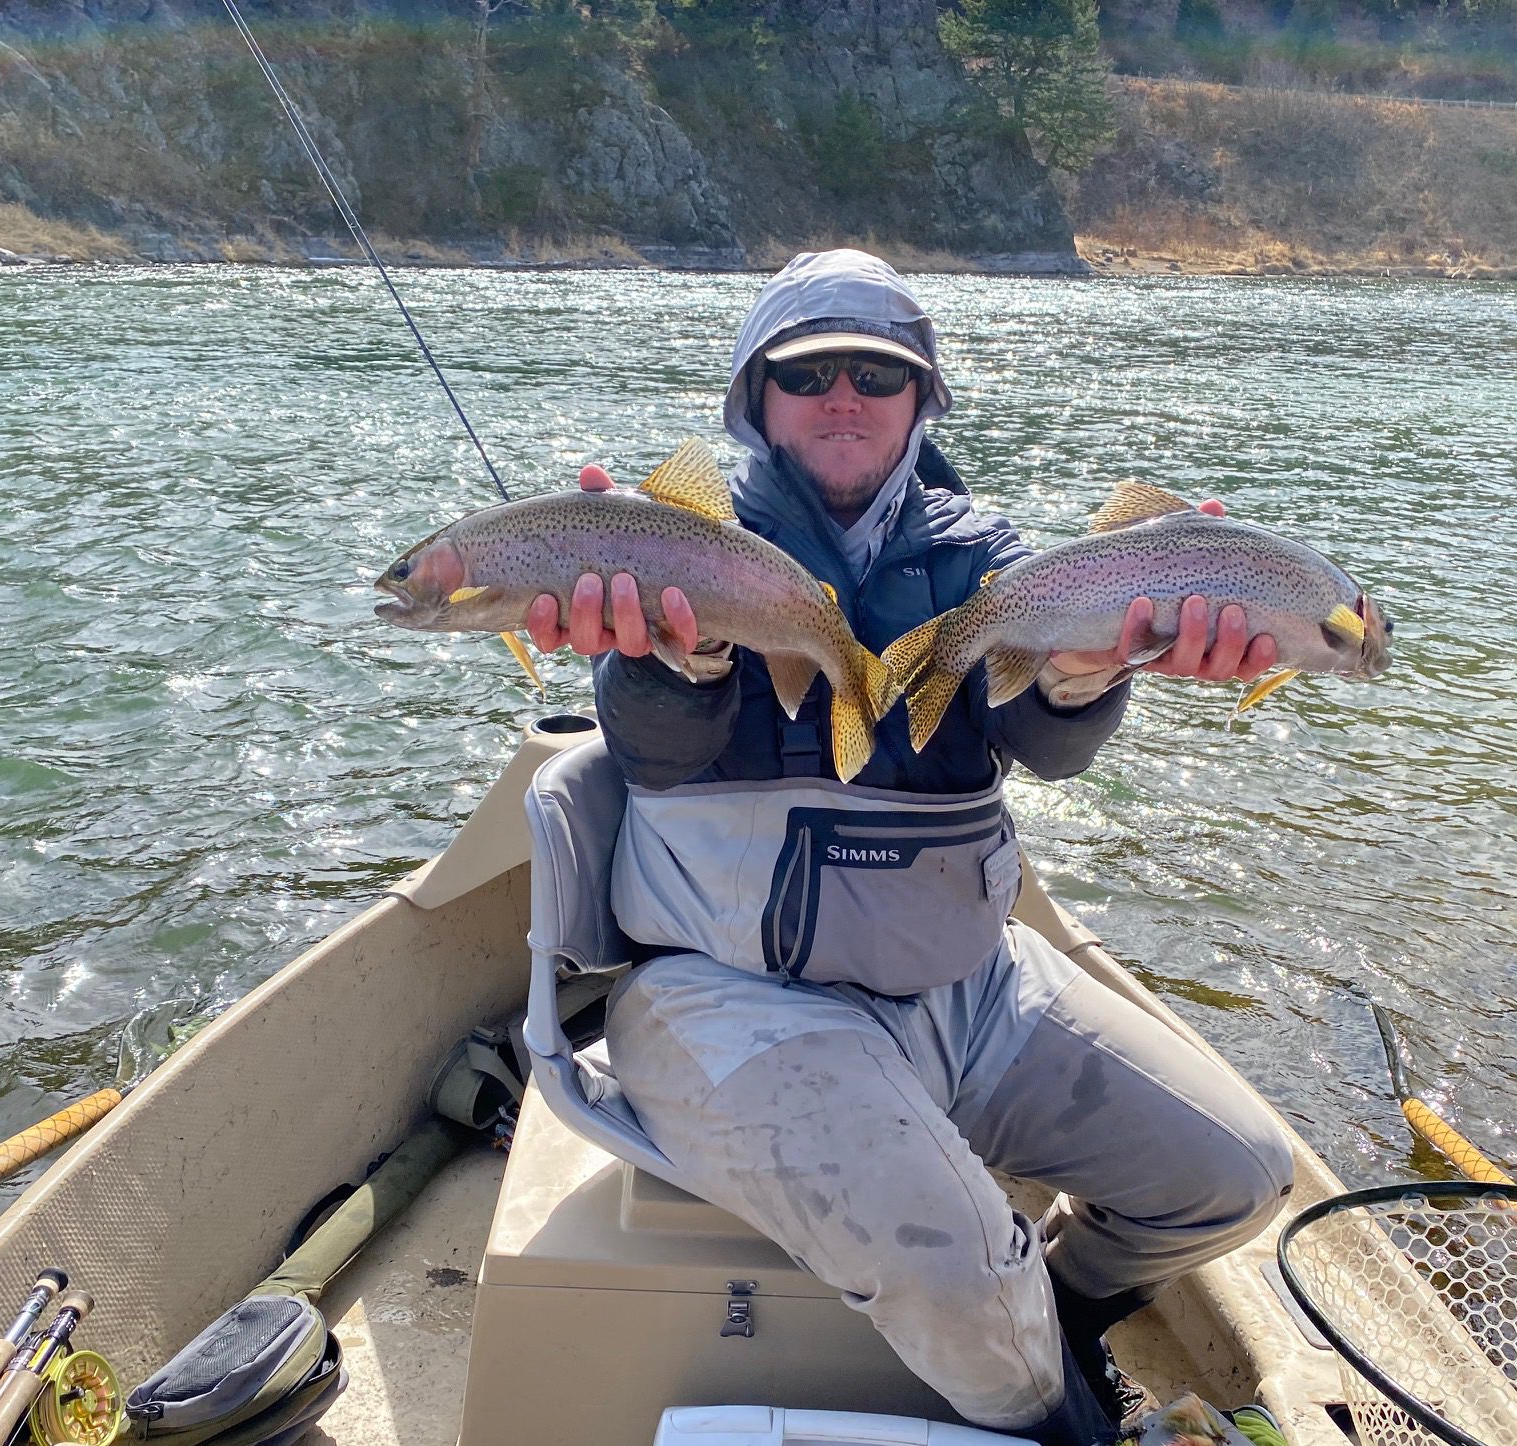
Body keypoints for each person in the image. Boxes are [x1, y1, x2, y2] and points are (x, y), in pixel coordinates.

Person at [524, 249, 1294, 1444]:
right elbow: (656, 757)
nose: (842, 395)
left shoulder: (991, 554)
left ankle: (1061, 1310)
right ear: (755, 399)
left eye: (875, 374)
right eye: (807, 372)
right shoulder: (675, 539)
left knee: (1235, 1172)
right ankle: (1062, 1417)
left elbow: (1044, 748)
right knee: (957, 1272)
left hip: (967, 986)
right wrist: (668, 655)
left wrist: (1088, 674)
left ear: (919, 399)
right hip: (726, 998)